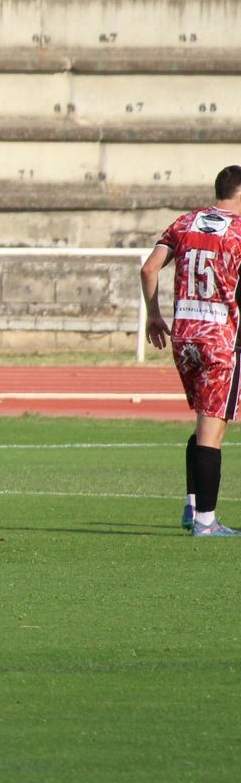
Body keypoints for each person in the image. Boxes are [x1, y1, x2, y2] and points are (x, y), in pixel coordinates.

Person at [141, 165, 241, 537]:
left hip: (184, 336)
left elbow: (149, 269)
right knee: (213, 430)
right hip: (220, 339)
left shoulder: (185, 223)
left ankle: (191, 505)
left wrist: (153, 315)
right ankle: (206, 521)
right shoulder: (239, 231)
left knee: (203, 422)